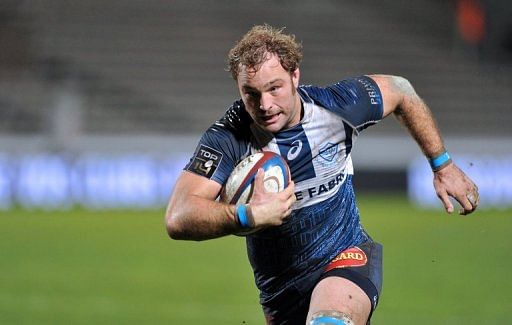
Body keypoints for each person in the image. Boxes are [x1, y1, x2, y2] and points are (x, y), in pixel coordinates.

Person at [165, 24, 479, 325]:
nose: (265, 104)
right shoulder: (228, 137)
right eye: (251, 94)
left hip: (347, 256)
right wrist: (248, 215)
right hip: (281, 291)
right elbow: (178, 217)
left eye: (275, 88)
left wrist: (443, 165)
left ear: (294, 76)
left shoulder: (337, 106)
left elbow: (400, 90)